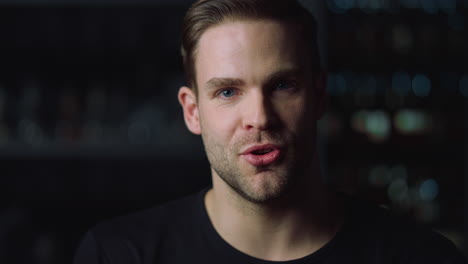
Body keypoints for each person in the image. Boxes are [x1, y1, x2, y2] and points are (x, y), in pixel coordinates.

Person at [73, 0, 466, 263]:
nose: (259, 117)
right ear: (192, 112)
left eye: (282, 86)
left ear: (319, 95)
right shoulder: (118, 255)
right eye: (227, 91)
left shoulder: (418, 256)